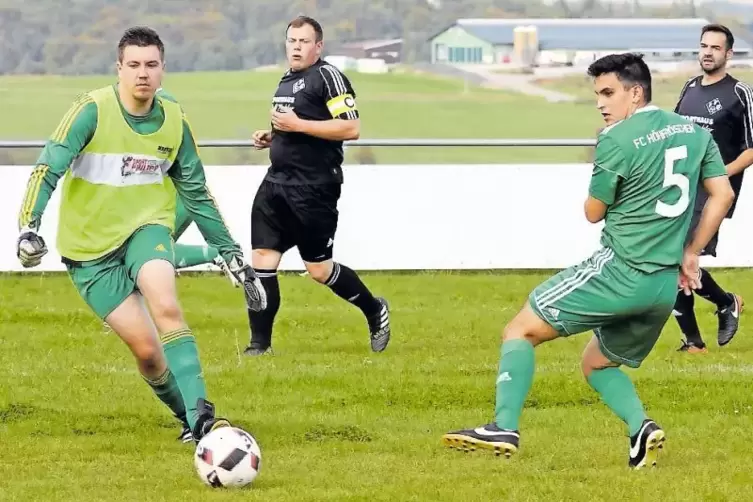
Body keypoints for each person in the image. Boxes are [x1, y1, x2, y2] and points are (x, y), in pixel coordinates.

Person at [441, 53, 735, 469]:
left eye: (609, 92)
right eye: (597, 94)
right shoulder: (692, 133)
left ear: (636, 93)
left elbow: (594, 211)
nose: (601, 102)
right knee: (596, 362)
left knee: (519, 330)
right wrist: (691, 253)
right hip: (663, 286)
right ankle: (641, 429)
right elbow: (723, 195)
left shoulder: (615, 138)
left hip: (620, 270)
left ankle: (503, 426)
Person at [15, 26, 266, 444]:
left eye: (151, 65)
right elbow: (48, 167)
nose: (142, 74)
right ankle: (187, 418)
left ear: (163, 70)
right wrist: (29, 226)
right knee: (149, 356)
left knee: (165, 303)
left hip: (147, 229)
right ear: (119, 69)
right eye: (134, 65)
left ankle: (205, 420)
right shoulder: (90, 111)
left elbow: (197, 193)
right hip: (88, 253)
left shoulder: (174, 121)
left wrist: (233, 251)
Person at [244, 15, 391, 356]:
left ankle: (374, 310)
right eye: (292, 41)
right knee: (263, 258)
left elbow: (350, 128)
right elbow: (294, 126)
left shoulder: (329, 76)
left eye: (304, 41)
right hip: (276, 184)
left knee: (319, 269)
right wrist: (272, 136)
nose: (296, 47)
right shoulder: (285, 79)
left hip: (314, 189)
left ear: (318, 46)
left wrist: (296, 125)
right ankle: (259, 347)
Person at [672, 23, 753, 353]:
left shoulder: (739, 93)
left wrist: (716, 175)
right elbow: (674, 131)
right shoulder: (690, 86)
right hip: (680, 186)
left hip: (713, 193)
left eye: (715, 48)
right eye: (703, 46)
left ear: (728, 54)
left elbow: (751, 148)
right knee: (672, 259)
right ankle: (697, 337)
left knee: (676, 258)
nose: (707, 52)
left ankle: (721, 307)